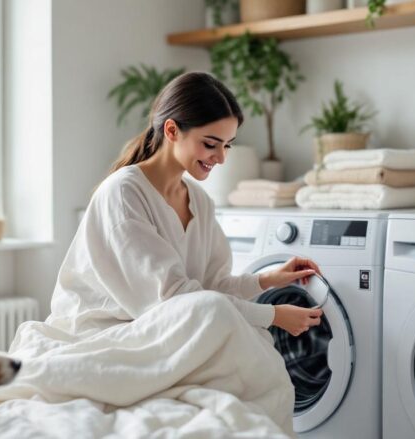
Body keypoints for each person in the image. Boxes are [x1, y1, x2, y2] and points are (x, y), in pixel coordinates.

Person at [47, 71, 324, 338]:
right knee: (249, 342)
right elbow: (175, 298)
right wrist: (272, 315)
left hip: (162, 327)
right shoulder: (124, 193)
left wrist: (269, 278)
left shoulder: (200, 201)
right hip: (104, 332)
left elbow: (213, 287)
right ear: (172, 130)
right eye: (210, 144)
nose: (221, 158)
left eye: (227, 145)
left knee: (247, 345)